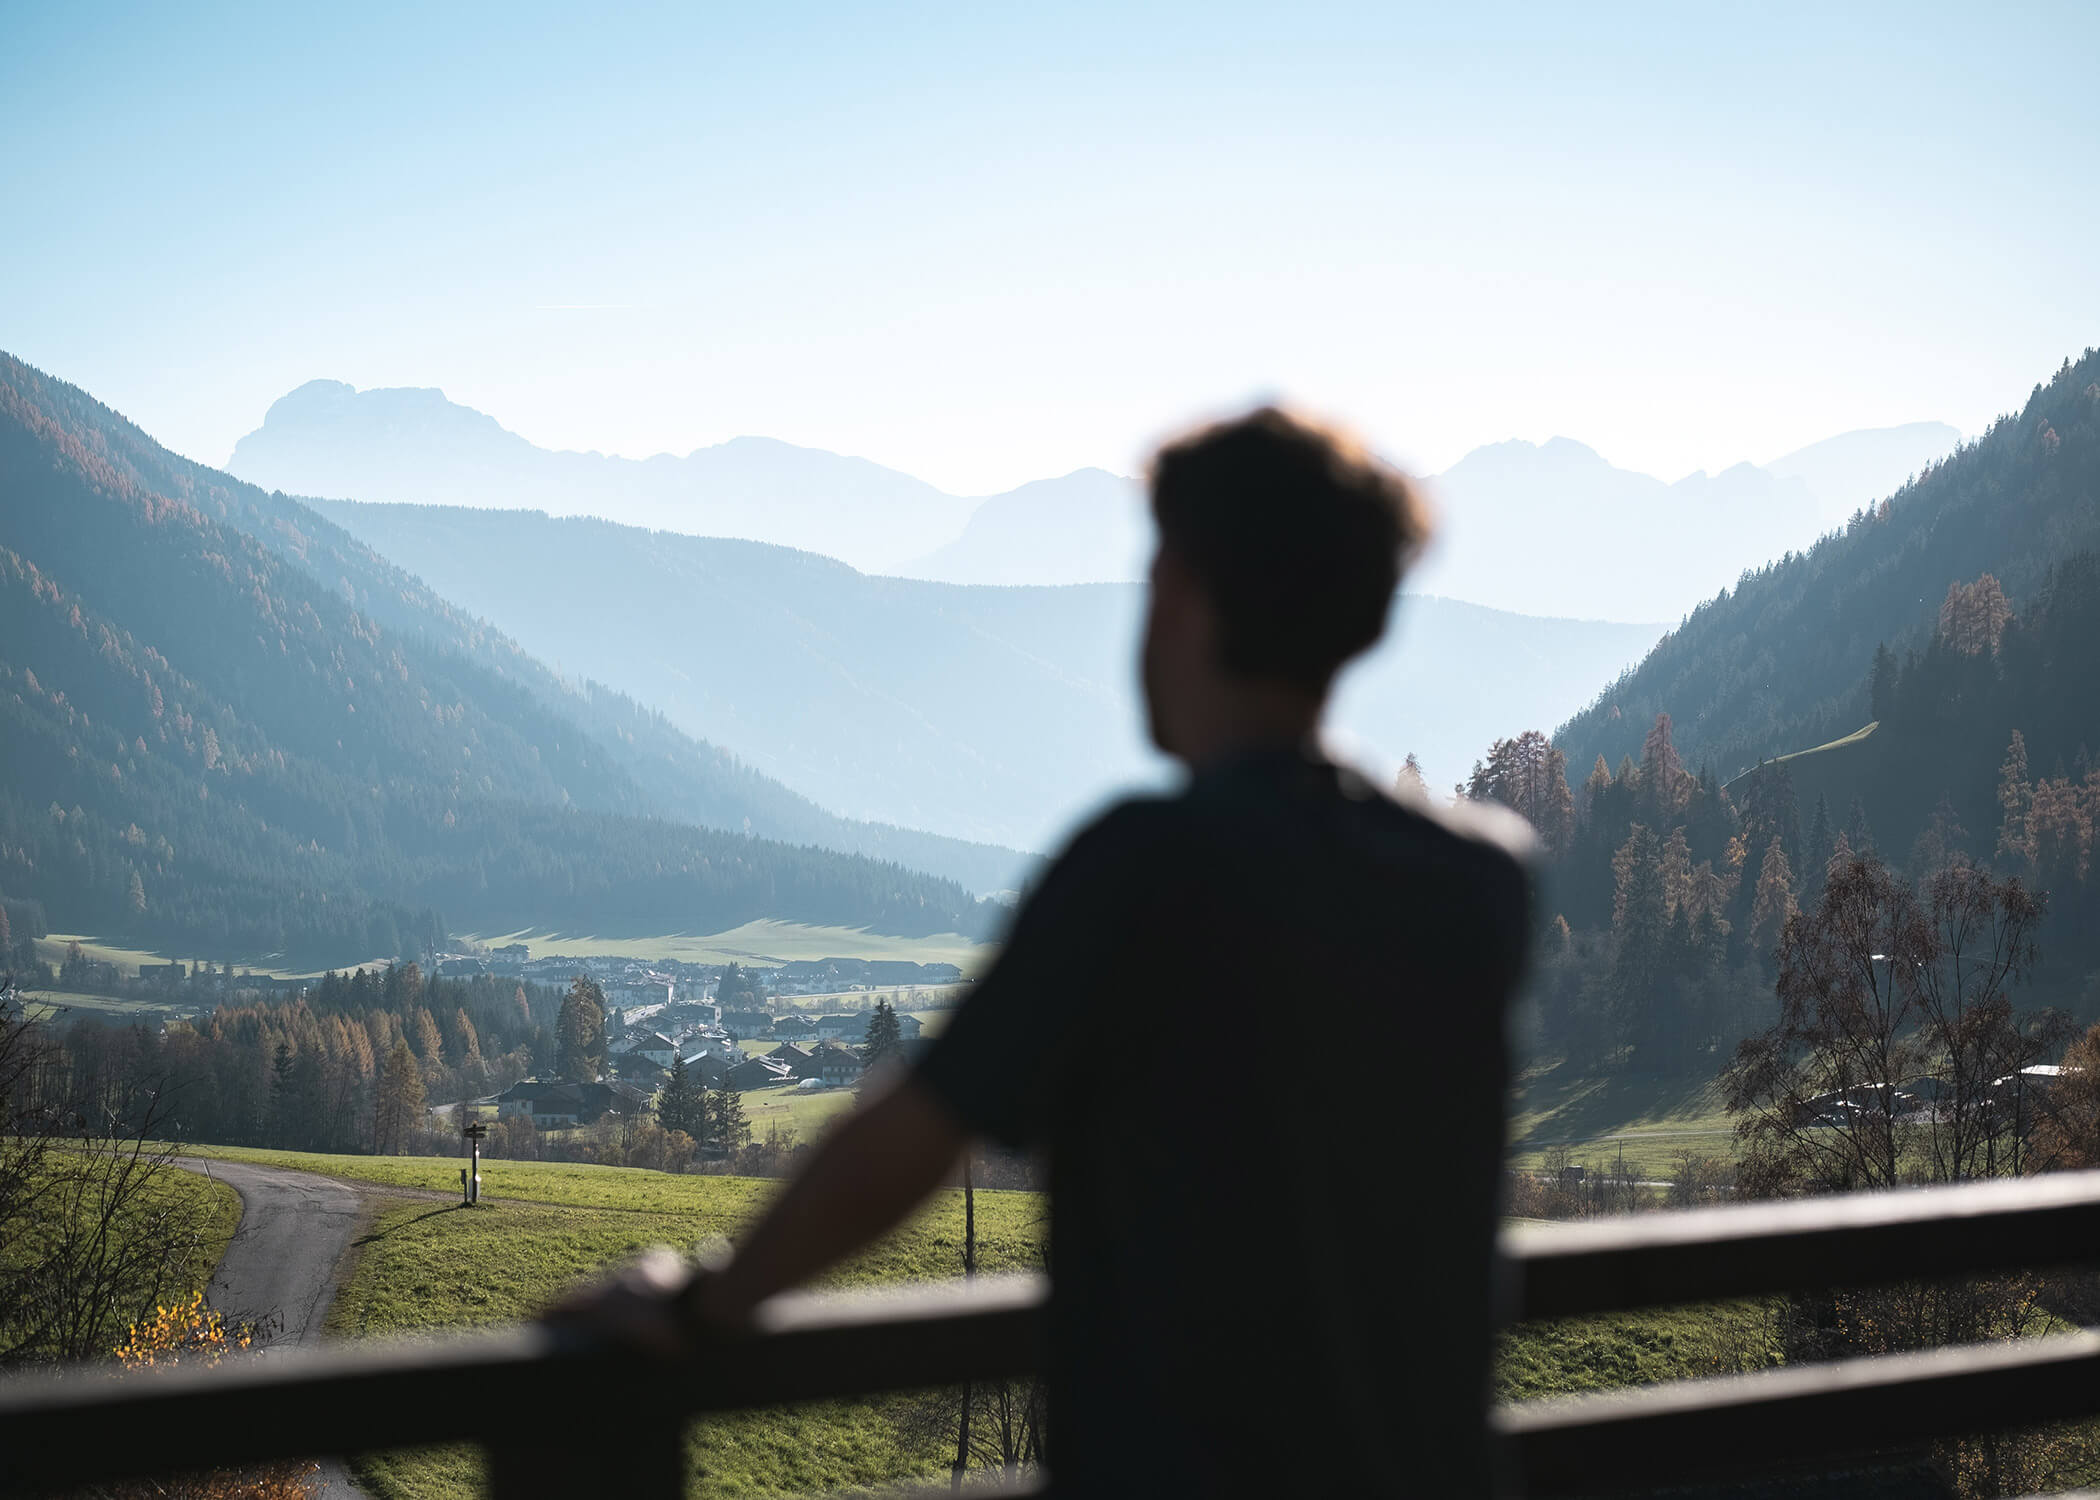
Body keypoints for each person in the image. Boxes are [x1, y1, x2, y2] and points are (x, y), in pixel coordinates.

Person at [555, 406, 1535, 1494]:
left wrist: (706, 1300)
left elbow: (915, 1134)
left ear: (1182, 597)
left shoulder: (1146, 868)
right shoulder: (1478, 879)